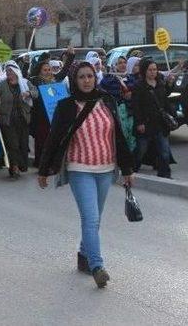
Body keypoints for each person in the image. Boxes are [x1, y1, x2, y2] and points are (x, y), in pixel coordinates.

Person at [38, 62, 134, 288]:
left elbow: (119, 135)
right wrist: (44, 170)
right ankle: (97, 266)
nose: (87, 80)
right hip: (79, 169)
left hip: (106, 168)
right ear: (74, 80)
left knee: (95, 219)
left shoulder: (107, 101)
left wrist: (128, 169)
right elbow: (54, 139)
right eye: (82, 77)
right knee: (90, 219)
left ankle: (83, 254)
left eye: (90, 75)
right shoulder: (66, 106)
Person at [0, 62, 38, 179]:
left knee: (23, 145)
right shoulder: (3, 85)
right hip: (7, 119)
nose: (9, 73)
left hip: (23, 119)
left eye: (11, 71)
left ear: (16, 71)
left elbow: (36, 93)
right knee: (13, 144)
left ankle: (20, 166)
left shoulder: (25, 83)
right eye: (7, 71)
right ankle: (14, 167)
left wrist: (29, 93)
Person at [29, 47, 75, 166]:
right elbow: (32, 92)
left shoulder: (54, 80)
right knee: (41, 140)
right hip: (40, 117)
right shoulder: (35, 82)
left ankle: (53, 162)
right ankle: (40, 163)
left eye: (49, 69)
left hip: (53, 115)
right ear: (39, 71)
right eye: (45, 70)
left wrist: (70, 56)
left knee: (53, 139)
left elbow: (64, 71)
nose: (48, 72)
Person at [131, 59, 173, 178]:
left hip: (160, 124)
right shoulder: (139, 86)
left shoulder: (160, 83)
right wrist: (139, 123)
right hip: (146, 124)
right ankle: (132, 169)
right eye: (150, 70)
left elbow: (164, 99)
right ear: (144, 71)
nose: (153, 72)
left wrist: (170, 84)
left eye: (155, 69)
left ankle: (165, 174)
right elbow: (136, 106)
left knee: (164, 151)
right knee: (141, 150)